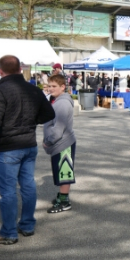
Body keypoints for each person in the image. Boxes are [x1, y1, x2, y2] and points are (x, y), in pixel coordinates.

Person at [0, 55, 55, 244]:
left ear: (0, 71)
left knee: (8, 191)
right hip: (28, 145)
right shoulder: (33, 89)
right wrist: (28, 122)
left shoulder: (0, 90)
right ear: (20, 69)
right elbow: (48, 113)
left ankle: (8, 233)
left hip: (9, 148)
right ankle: (27, 225)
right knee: (28, 185)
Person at [42, 74, 77, 213]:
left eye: (54, 86)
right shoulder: (58, 101)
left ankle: (64, 201)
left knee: (64, 172)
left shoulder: (62, 103)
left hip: (63, 143)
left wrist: (48, 142)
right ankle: (62, 196)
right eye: (49, 86)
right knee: (61, 171)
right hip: (60, 143)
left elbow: (58, 129)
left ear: (63, 87)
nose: (51, 89)